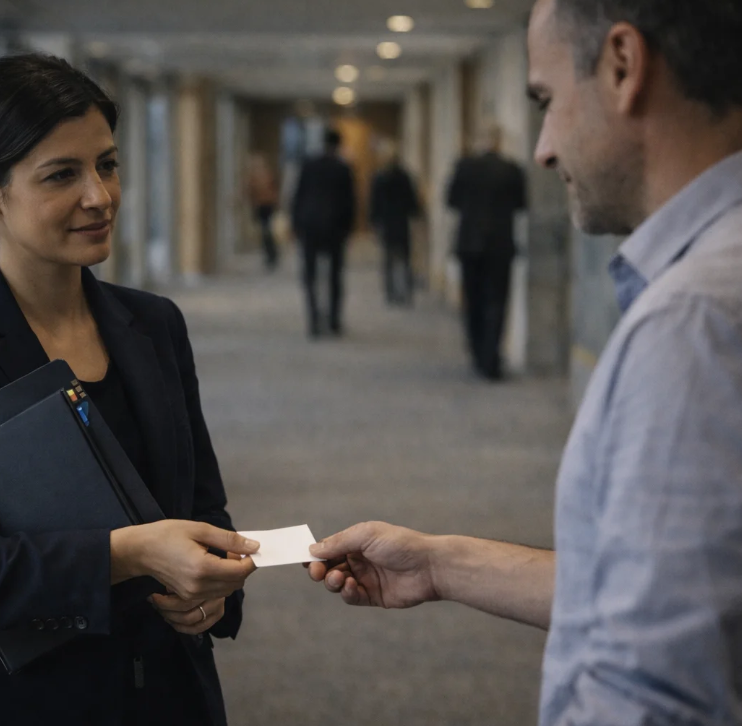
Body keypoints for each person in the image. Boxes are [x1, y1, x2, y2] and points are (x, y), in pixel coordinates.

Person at [309, 0, 742, 724]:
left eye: (546, 100)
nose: (543, 149)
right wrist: (440, 563)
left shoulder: (692, 325)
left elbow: (651, 695)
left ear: (623, 66)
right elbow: (675, 588)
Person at [0, 53, 260, 726]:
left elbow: (200, 501)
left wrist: (215, 590)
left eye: (107, 164)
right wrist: (124, 555)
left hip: (168, 691)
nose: (99, 196)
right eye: (61, 175)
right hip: (14, 701)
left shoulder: (154, 323)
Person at [447, 124, 527, 380]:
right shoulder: (511, 169)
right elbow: (521, 204)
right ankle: (491, 358)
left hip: (469, 244)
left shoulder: (464, 167)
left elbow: (451, 201)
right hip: (500, 245)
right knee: (497, 301)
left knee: (473, 300)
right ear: (499, 141)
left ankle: (477, 352)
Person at [292, 128, 356, 338]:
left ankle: (313, 320)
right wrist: (348, 228)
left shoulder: (309, 165)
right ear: (338, 145)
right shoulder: (343, 168)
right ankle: (334, 321)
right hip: (335, 227)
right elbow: (350, 201)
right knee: (335, 276)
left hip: (310, 226)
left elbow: (298, 196)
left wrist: (296, 224)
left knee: (310, 276)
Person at [370, 140, 423, 307]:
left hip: (388, 222)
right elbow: (411, 201)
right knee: (404, 259)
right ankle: (404, 290)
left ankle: (392, 291)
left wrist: (375, 221)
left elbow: (374, 203)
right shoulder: (403, 177)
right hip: (400, 222)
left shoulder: (380, 177)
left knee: (390, 259)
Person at [246, 153, 280, 271]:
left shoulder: (266, 175)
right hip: (261, 206)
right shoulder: (254, 177)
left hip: (266, 206)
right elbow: (250, 192)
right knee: (265, 230)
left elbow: (273, 190)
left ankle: (272, 254)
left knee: (266, 230)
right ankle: (270, 253)